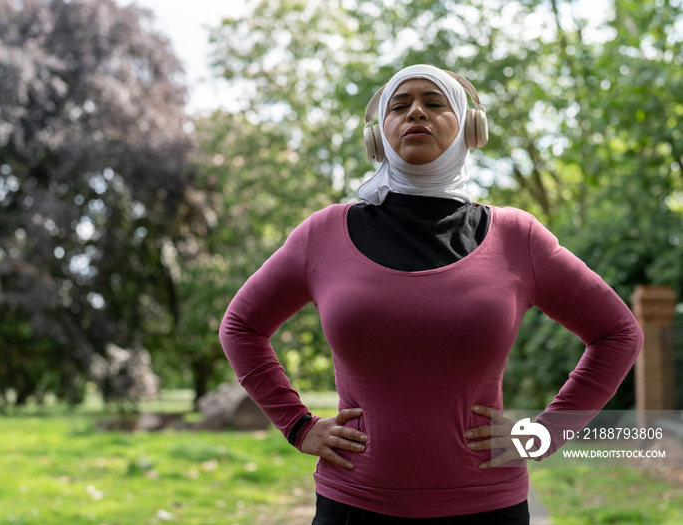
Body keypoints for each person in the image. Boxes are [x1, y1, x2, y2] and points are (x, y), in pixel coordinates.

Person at [218, 64, 643, 523]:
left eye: (434, 103)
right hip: (353, 506)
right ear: (378, 134)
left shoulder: (517, 237)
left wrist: (546, 434)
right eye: (398, 106)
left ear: (470, 126)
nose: (415, 112)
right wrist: (298, 426)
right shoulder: (322, 234)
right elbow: (241, 326)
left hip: (488, 508)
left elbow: (618, 333)